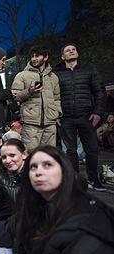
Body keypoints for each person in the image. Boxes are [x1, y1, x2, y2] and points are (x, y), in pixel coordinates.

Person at [54, 43, 107, 191]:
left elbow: (100, 92)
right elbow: (51, 95)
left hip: (87, 116)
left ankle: (93, 179)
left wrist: (98, 112)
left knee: (92, 149)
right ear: (62, 56)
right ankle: (75, 180)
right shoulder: (56, 73)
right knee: (70, 150)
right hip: (65, 117)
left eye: (73, 50)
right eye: (67, 51)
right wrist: (56, 114)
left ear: (77, 53)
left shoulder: (89, 70)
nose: (71, 52)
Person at [11, 45, 61, 151]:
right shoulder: (22, 75)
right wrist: (29, 91)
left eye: (37, 56)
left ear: (46, 57)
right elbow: (14, 96)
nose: (34, 59)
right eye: (32, 56)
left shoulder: (54, 77)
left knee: (49, 155)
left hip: (50, 123)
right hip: (31, 123)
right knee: (29, 155)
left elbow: (57, 98)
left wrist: (58, 113)